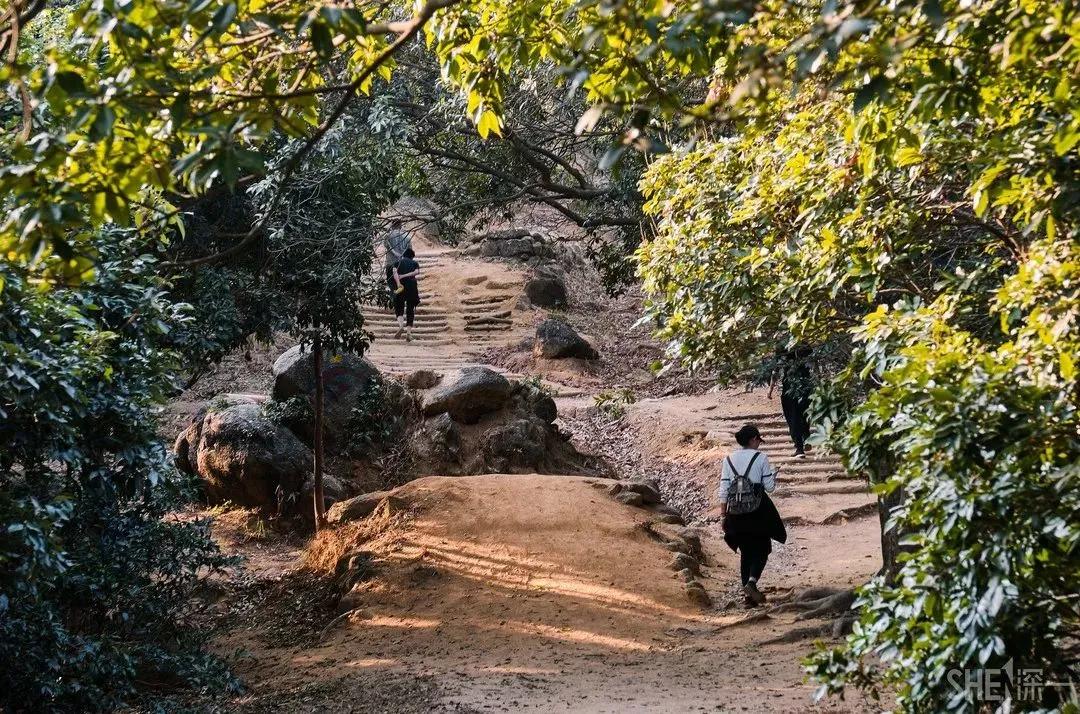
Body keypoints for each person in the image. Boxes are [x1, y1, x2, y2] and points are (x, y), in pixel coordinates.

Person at [718, 423, 787, 608]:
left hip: (736, 512)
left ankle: (748, 598)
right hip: (758, 511)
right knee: (763, 548)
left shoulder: (728, 459)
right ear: (753, 439)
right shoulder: (761, 458)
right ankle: (752, 582)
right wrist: (773, 475)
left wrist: (723, 515)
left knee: (745, 552)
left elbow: (724, 490)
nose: (759, 443)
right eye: (758, 440)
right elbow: (770, 487)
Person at [769, 347, 813, 457]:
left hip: (790, 389)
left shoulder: (783, 353)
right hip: (806, 388)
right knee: (804, 414)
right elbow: (814, 367)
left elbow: (775, 371)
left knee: (793, 418)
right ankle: (806, 437)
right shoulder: (805, 349)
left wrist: (770, 389)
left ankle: (799, 448)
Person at [392, 247, 421, 341]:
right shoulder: (414, 263)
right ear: (412, 257)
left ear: (403, 255)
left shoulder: (398, 262)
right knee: (410, 309)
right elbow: (416, 272)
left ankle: (401, 326)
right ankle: (408, 333)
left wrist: (398, 283)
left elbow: (394, 272)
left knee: (399, 307)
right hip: (412, 286)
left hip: (401, 287)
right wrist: (406, 275)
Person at [382, 218, 411, 296]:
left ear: (392, 225)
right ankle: (401, 302)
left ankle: (394, 300)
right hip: (403, 264)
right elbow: (410, 251)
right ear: (401, 225)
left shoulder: (387, 236)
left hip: (390, 264)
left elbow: (386, 246)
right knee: (403, 284)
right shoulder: (407, 237)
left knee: (392, 285)